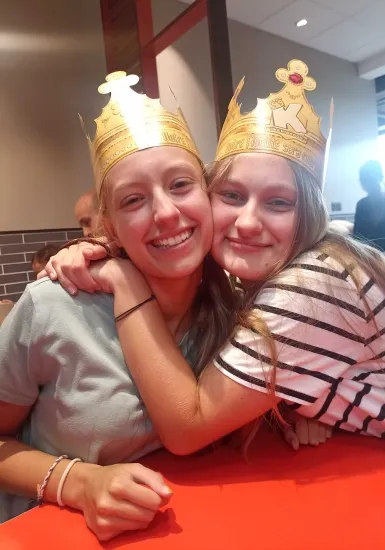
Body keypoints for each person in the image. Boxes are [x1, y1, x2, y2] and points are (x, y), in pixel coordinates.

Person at [0, 70, 322, 539]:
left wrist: (294, 414)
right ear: (108, 226)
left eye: (180, 185)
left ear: (209, 197)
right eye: (133, 200)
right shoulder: (53, 304)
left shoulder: (235, 315)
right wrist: (80, 483)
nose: (167, 213)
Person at [45, 60, 385, 457]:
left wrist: (125, 281)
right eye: (232, 196)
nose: (248, 222)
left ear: (307, 214)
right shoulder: (255, 279)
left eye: (278, 202)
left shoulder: (312, 284)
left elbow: (187, 429)